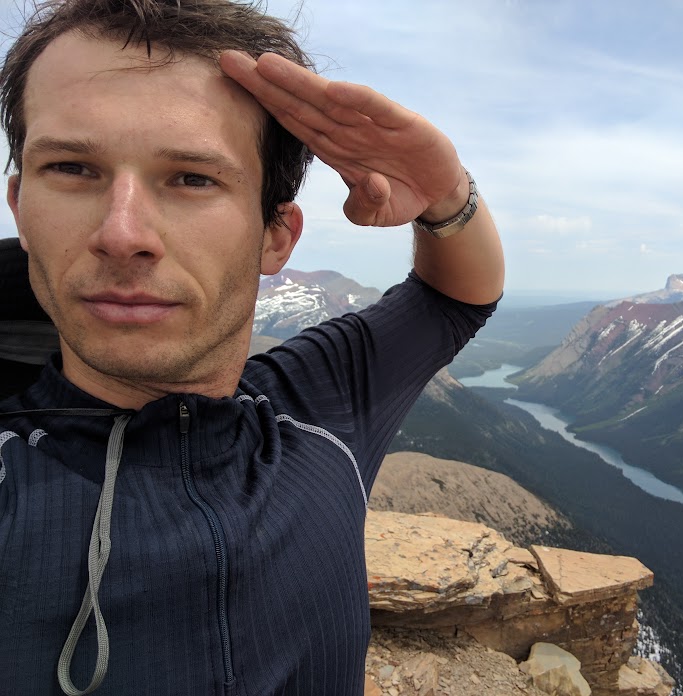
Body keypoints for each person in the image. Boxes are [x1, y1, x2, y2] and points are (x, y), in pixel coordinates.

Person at [0, 0, 504, 693]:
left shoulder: (319, 403)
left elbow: (456, 300)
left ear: (276, 236)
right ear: (19, 205)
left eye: (191, 178)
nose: (122, 233)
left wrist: (449, 194)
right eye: (72, 168)